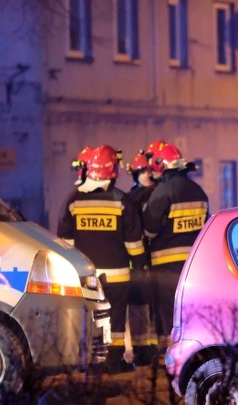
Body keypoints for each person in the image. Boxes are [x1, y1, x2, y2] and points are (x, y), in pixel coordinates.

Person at [58, 145, 147, 374]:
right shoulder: (122, 201)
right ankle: (114, 362)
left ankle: (90, 362)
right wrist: (139, 268)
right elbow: (134, 243)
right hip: (118, 277)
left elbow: (65, 243)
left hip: (85, 277)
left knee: (90, 318)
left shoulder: (73, 201)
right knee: (116, 321)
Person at [143, 141, 210, 348]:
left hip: (166, 265)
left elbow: (150, 229)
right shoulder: (199, 191)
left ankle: (170, 354)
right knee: (191, 309)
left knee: (168, 310)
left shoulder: (163, 191)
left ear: (160, 165)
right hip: (194, 264)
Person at [124, 147, 159, 366]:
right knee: (139, 305)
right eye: (141, 171)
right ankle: (141, 349)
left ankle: (155, 348)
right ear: (135, 174)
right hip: (138, 259)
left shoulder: (161, 194)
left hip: (158, 256)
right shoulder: (130, 199)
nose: (146, 174)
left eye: (148, 171)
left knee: (156, 306)